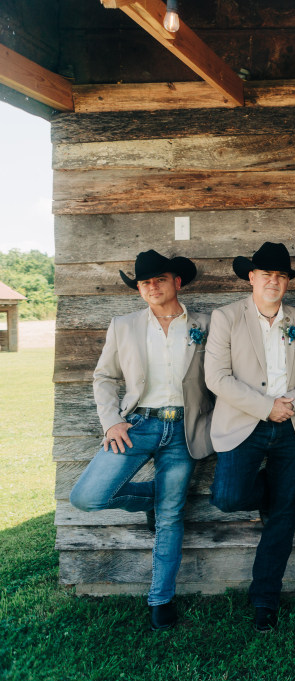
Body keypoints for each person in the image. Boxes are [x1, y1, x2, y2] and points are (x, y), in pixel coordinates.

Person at [70, 250, 213, 631]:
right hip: (137, 426)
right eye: (144, 282)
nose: (151, 286)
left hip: (185, 430)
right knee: (87, 497)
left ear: (176, 282)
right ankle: (154, 496)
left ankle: (161, 599)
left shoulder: (205, 324)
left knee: (170, 518)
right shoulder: (124, 325)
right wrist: (111, 421)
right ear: (138, 289)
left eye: (159, 279)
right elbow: (103, 377)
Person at [205, 242, 295, 632]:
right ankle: (267, 493)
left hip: (292, 425)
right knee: (228, 498)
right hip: (244, 423)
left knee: (281, 516)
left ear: (287, 281)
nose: (273, 281)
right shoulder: (226, 317)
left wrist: (290, 404)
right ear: (251, 278)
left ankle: (265, 600)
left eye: (280, 275)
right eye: (266, 275)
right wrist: (266, 407)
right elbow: (216, 377)